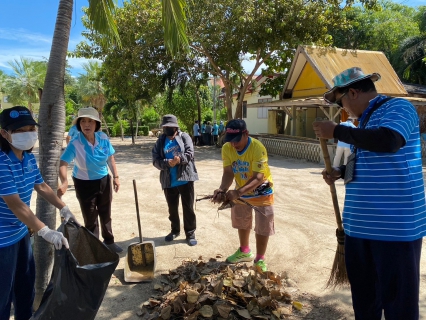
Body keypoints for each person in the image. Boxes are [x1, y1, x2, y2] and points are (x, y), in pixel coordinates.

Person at [313, 67, 426, 320]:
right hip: (359, 228)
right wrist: (341, 172)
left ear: (353, 92)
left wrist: (337, 131)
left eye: (342, 101)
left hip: (394, 228)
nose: (344, 109)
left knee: (399, 305)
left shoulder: (398, 108)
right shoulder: (362, 122)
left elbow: (389, 141)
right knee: (365, 303)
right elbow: (363, 159)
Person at [0, 106, 76, 320]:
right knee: (3, 296)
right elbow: (15, 205)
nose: (28, 133)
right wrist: (45, 231)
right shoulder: (1, 162)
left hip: (21, 234)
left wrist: (64, 207)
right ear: (4, 134)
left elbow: (41, 187)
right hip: (2, 240)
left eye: (31, 128)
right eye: (20, 130)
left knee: (25, 289)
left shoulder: (28, 158)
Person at [212, 119, 274, 272]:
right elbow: (228, 172)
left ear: (246, 134)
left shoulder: (257, 148)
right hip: (240, 191)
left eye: (236, 140)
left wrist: (238, 192)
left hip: (261, 191)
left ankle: (260, 259)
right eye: (230, 141)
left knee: (262, 225)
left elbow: (259, 177)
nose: (233, 144)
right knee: (241, 221)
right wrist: (222, 190)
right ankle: (244, 251)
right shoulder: (227, 148)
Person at [58, 107, 123, 253]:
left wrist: (116, 177)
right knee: (91, 217)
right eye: (83, 121)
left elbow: (110, 158)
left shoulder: (103, 138)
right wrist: (64, 181)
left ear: (96, 124)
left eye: (90, 121)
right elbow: (63, 163)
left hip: (104, 179)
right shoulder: (75, 143)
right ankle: (94, 247)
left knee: (106, 212)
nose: (86, 124)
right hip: (84, 183)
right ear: (79, 125)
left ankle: (109, 241)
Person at [152, 114, 199, 246]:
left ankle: (190, 233)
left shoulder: (184, 137)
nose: (168, 129)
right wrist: (167, 162)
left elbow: (190, 153)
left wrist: (179, 159)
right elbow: (155, 159)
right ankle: (175, 230)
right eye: (165, 127)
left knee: (188, 208)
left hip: (185, 179)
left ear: (176, 127)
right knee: (172, 208)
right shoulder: (160, 140)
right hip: (168, 181)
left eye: (170, 126)